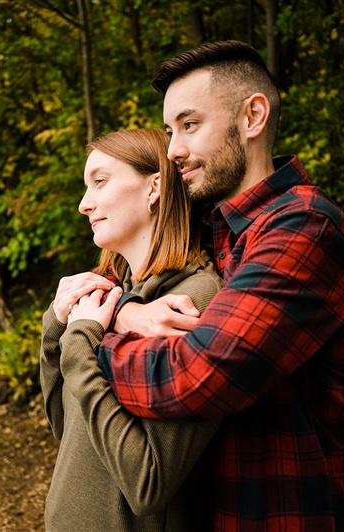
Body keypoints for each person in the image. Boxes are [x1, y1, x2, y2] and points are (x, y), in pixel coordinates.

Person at [91, 41, 344, 530]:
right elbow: (103, 289)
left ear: (252, 117)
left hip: (295, 516)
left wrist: (92, 341)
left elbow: (196, 377)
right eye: (168, 131)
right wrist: (123, 311)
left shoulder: (305, 228)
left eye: (189, 125)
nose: (174, 149)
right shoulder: (208, 230)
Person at [40, 128, 223, 531]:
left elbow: (148, 484)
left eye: (99, 182)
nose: (83, 205)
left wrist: (79, 342)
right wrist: (55, 323)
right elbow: (63, 425)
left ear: (154, 187)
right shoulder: (115, 292)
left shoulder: (195, 303)